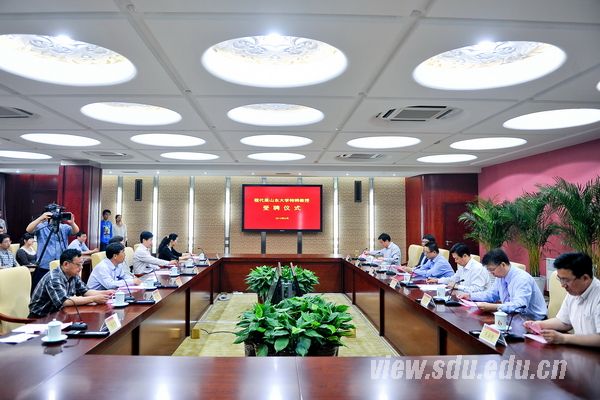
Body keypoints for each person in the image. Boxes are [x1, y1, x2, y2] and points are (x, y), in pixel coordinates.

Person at [524, 253, 600, 347]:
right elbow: (564, 322)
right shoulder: (573, 292)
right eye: (560, 279)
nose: (563, 285)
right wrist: (539, 324)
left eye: (566, 280)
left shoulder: (597, 296)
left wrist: (563, 338)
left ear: (585, 278)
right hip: (580, 350)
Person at [458, 248, 547, 320]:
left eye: (492, 270)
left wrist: (495, 307)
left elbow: (519, 306)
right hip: (513, 317)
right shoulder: (500, 276)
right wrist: (470, 296)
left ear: (503, 265)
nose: (491, 273)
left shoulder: (522, 279)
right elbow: (491, 295)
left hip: (533, 320)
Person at [28, 248, 113, 318]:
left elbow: (85, 291)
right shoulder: (54, 278)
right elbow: (65, 301)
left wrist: (106, 293)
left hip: (59, 315)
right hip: (40, 319)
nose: (81, 267)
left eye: (82, 264)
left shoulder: (73, 275)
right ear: (66, 264)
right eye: (78, 265)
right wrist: (93, 299)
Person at [26, 207, 79, 290]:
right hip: (44, 265)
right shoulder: (42, 227)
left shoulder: (63, 227)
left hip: (61, 265)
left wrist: (72, 223)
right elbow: (29, 229)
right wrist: (41, 218)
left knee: (60, 289)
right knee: (42, 289)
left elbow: (75, 231)